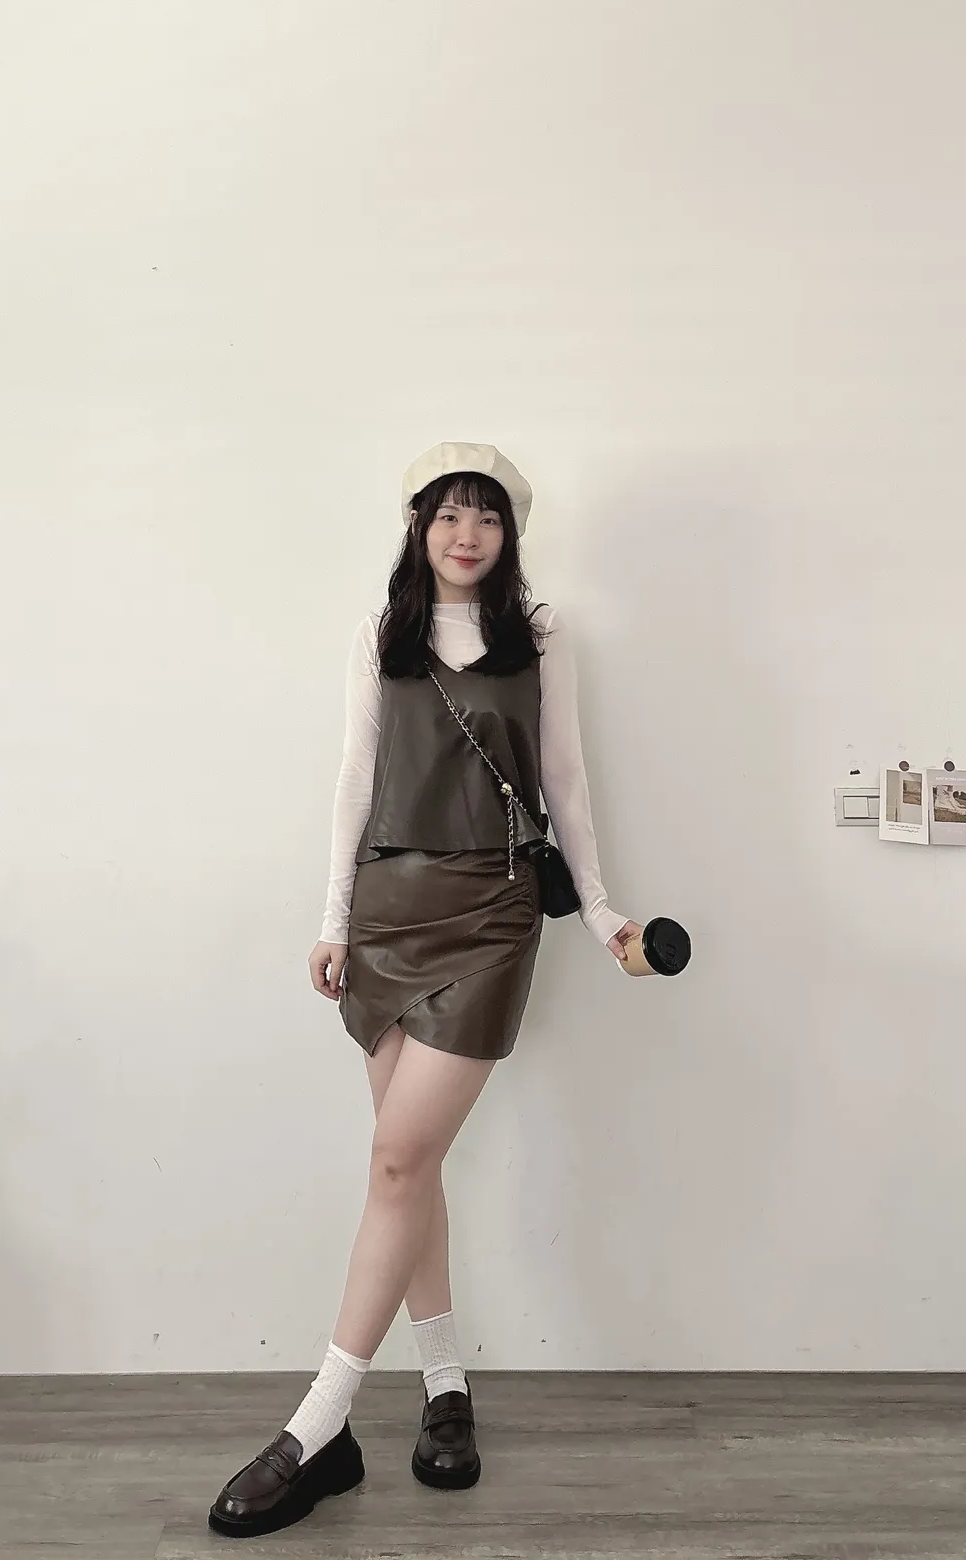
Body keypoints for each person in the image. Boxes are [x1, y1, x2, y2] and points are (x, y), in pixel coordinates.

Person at [209, 442, 641, 1539]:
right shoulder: (382, 633)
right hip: (388, 912)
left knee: (398, 1161)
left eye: (486, 516)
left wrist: (600, 911)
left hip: (492, 914)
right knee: (414, 1167)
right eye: (448, 514)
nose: (466, 534)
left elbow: (566, 780)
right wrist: (333, 920)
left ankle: (320, 1425)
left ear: (510, 533)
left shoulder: (540, 635)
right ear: (419, 525)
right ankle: (445, 1387)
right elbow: (355, 779)